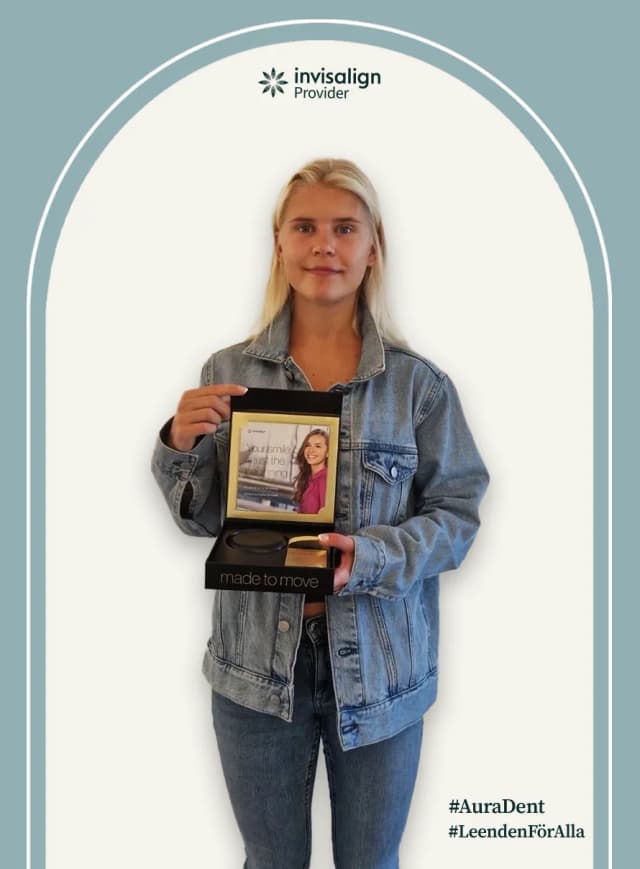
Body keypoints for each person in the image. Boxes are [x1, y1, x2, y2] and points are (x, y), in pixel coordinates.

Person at [151, 158, 489, 868]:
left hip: (381, 674)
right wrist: (179, 445)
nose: (324, 245)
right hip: (254, 674)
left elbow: (457, 515)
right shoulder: (226, 373)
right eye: (304, 227)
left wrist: (370, 557)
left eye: (345, 228)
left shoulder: (419, 387)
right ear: (278, 244)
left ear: (374, 247)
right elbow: (201, 521)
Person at [293, 428, 329, 513]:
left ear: (327, 452)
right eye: (307, 445)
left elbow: (324, 517)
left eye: (318, 446)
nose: (311, 450)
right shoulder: (308, 477)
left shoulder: (325, 479)